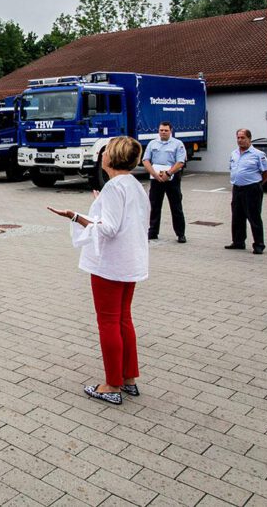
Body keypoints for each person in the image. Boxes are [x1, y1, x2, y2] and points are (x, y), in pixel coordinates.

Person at [48, 136, 149, 406]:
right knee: (123, 319)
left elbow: (109, 228)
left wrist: (74, 216)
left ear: (112, 158)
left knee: (108, 322)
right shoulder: (133, 185)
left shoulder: (115, 187)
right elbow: (123, 220)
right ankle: (128, 379)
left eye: (104, 152)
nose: (101, 156)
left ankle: (111, 385)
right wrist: (99, 205)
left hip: (111, 265)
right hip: (130, 263)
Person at [226, 129, 267, 255]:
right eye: (238, 138)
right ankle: (238, 241)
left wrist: (256, 185)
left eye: (243, 138)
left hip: (251, 189)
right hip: (237, 188)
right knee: (237, 216)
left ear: (249, 139)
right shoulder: (234, 153)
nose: (240, 140)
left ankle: (259, 244)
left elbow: (266, 173)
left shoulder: (258, 154)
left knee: (254, 217)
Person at [142, 122, 187, 243]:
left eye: (166, 130)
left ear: (171, 131)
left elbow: (180, 162)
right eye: (161, 130)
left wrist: (168, 174)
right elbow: (146, 160)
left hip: (172, 179)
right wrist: (154, 174)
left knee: (176, 207)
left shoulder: (178, 144)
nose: (163, 132)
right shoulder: (152, 143)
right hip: (156, 179)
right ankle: (152, 232)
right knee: (154, 206)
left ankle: (180, 234)